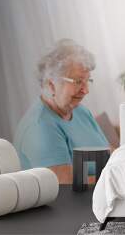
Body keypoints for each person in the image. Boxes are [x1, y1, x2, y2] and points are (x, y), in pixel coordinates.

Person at [14, 39, 109, 184]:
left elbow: (107, 151)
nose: (86, 90)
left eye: (87, 81)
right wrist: (119, 179)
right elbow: (65, 185)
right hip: (73, 204)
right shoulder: (39, 127)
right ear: (51, 84)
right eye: (78, 81)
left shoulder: (80, 111)